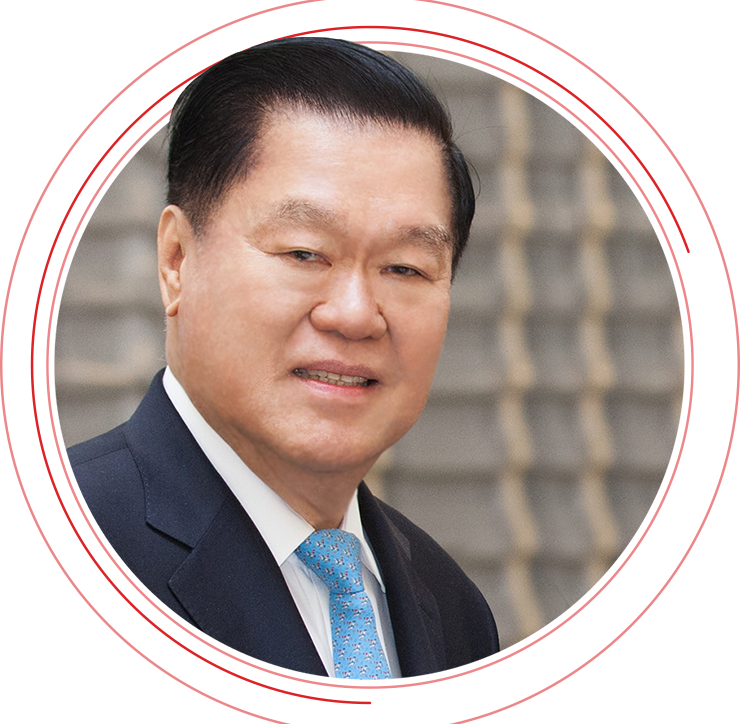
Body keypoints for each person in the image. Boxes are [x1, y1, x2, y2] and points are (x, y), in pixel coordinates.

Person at [69, 37, 499, 679]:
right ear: (177, 261)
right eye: (303, 253)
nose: (355, 314)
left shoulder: (455, 611)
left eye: (405, 267)